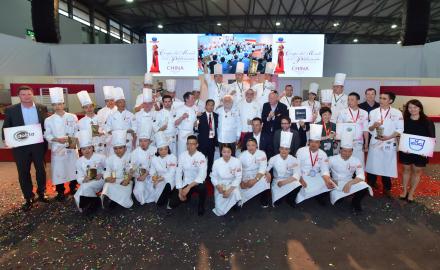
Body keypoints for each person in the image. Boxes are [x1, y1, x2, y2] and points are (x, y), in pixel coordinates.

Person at [1, 85, 49, 211]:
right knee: (23, 172)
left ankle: (42, 192)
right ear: (19, 96)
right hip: (20, 146)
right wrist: (6, 139)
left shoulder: (41, 108)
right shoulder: (11, 110)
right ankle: (28, 197)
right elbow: (6, 126)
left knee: (41, 170)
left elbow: (46, 125)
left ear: (32, 94)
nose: (26, 96)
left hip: (38, 144)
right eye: (23, 94)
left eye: (28, 94)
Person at [365, 92, 404, 198]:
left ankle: (387, 188)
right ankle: (371, 184)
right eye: (380, 98)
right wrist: (374, 125)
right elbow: (369, 128)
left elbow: (400, 129)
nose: (381, 100)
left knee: (387, 165)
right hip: (375, 142)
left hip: (388, 142)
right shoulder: (373, 112)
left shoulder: (397, 113)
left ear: (390, 101)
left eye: (384, 98)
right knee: (373, 164)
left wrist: (389, 137)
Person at [44, 87, 79, 201]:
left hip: (71, 147)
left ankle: (73, 187)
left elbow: (76, 131)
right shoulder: (49, 120)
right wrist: (57, 140)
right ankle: (60, 191)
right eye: (55, 104)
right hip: (58, 148)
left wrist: (72, 143)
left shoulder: (72, 116)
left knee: (73, 167)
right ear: (52, 105)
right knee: (59, 169)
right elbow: (47, 135)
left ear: (63, 104)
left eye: (59, 103)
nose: (57, 106)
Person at [399, 99, 435, 202]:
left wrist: (426, 151)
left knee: (417, 171)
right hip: (406, 151)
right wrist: (401, 146)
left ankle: (411, 192)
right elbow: (400, 135)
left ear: (420, 108)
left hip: (421, 152)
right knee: (406, 170)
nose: (412, 109)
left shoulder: (427, 121)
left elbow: (432, 137)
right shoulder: (404, 120)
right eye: (410, 107)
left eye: (415, 107)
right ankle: (405, 191)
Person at [328, 132, 372, 213]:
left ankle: (355, 203)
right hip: (336, 183)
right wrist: (330, 180)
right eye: (344, 151)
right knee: (338, 202)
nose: (347, 154)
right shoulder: (332, 159)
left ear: (352, 151)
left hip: (349, 181)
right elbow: (324, 172)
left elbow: (361, 176)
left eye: (349, 151)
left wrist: (350, 183)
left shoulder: (356, 160)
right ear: (340, 150)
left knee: (364, 187)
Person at [295, 124, 336, 205]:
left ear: (320, 144)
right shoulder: (301, 151)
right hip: (303, 175)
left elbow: (324, 170)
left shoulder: (323, 154)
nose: (314, 144)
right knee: (300, 187)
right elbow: (297, 167)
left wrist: (327, 180)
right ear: (309, 142)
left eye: (316, 142)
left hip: (316, 175)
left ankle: (318, 196)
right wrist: (300, 179)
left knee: (329, 183)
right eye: (312, 141)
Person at [170, 135, 207, 216]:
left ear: (197, 145)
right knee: (172, 203)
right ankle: (187, 197)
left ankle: (201, 205)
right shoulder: (182, 156)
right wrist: (180, 191)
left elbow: (202, 175)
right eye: (188, 144)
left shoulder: (201, 156)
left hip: (196, 183)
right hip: (186, 182)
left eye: (193, 144)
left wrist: (188, 187)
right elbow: (178, 173)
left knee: (203, 187)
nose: (190, 146)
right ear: (186, 144)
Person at [266, 131, 303, 207]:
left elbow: (297, 175)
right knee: (277, 203)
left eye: (286, 149)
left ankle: (290, 199)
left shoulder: (294, 159)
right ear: (279, 149)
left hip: (289, 180)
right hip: (277, 181)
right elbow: (266, 169)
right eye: (282, 148)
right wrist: (268, 173)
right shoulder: (273, 158)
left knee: (298, 184)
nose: (284, 151)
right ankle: (282, 197)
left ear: (289, 150)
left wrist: (284, 182)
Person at [74, 130, 106, 215]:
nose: (87, 151)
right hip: (87, 182)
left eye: (89, 148)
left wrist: (101, 174)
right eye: (84, 149)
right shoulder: (79, 161)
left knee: (83, 190)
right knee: (82, 190)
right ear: (81, 150)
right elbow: (79, 177)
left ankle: (91, 204)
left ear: (93, 148)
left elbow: (108, 169)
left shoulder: (101, 157)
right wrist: (84, 179)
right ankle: (94, 203)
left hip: (100, 181)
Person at [102, 130, 134, 210]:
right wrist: (107, 178)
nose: (118, 150)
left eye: (120, 148)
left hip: (126, 180)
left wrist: (127, 180)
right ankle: (108, 199)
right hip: (114, 179)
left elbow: (130, 170)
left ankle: (113, 200)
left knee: (124, 191)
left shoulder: (130, 156)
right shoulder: (110, 159)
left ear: (125, 148)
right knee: (107, 185)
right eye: (115, 149)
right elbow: (107, 171)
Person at [337, 92, 369, 164]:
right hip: (346, 142)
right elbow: (339, 128)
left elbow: (365, 129)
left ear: (358, 101)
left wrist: (366, 143)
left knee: (358, 163)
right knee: (345, 163)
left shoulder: (364, 113)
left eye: (352, 100)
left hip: (358, 142)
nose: (349, 102)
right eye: (348, 100)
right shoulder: (342, 112)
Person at [210, 144, 242, 216]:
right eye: (224, 152)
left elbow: (238, 177)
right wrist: (218, 187)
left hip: (232, 184)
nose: (226, 154)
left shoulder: (237, 161)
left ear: (232, 152)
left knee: (235, 192)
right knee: (220, 211)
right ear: (221, 152)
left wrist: (229, 190)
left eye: (228, 152)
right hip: (221, 184)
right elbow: (213, 177)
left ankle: (235, 203)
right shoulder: (216, 162)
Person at [239, 138, 271, 208]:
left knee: (266, 180)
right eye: (248, 145)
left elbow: (262, 168)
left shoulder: (262, 153)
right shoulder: (241, 155)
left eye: (253, 145)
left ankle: (264, 200)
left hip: (258, 174)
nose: (251, 147)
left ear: (256, 145)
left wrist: (255, 180)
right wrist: (242, 182)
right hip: (245, 175)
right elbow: (238, 171)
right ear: (246, 146)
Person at [148, 132, 178, 207]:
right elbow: (152, 171)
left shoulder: (173, 157)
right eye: (161, 150)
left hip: (170, 179)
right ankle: (168, 194)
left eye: (165, 149)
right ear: (157, 150)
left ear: (168, 148)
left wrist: (160, 178)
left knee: (168, 184)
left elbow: (172, 172)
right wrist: (154, 178)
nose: (163, 151)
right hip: (159, 180)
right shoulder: (154, 159)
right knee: (158, 200)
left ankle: (171, 191)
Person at [104, 87, 136, 153]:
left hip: (127, 141)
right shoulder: (111, 116)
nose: (123, 104)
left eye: (124, 102)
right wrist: (117, 133)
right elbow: (107, 128)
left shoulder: (131, 115)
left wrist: (125, 131)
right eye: (120, 102)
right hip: (116, 142)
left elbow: (135, 128)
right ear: (116, 104)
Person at [131, 124, 157, 205]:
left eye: (145, 141)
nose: (143, 143)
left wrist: (147, 174)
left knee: (156, 189)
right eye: (141, 141)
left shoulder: (155, 150)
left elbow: (156, 165)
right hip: (140, 175)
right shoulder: (135, 152)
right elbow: (133, 166)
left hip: (153, 175)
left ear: (149, 141)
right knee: (138, 191)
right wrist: (137, 175)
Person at [76, 91, 106, 156]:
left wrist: (103, 132)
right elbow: (79, 136)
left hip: (101, 147)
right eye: (86, 107)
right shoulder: (80, 122)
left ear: (93, 107)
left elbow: (107, 129)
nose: (89, 109)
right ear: (83, 109)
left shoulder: (101, 117)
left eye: (90, 106)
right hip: (89, 149)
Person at [196, 99, 218, 175]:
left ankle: (209, 175)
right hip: (202, 142)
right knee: (201, 160)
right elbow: (196, 129)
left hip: (212, 142)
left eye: (212, 105)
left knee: (211, 160)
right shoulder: (200, 116)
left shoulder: (216, 116)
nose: (211, 106)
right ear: (205, 106)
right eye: (209, 105)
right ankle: (200, 175)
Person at [174, 92, 198, 157]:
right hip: (182, 134)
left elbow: (195, 123)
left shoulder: (194, 108)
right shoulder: (179, 109)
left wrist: (196, 123)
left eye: (194, 98)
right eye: (192, 98)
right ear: (186, 99)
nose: (194, 100)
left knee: (191, 153)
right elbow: (175, 123)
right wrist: (182, 117)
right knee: (182, 153)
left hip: (191, 133)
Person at [97, 86, 117, 156]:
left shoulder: (119, 111)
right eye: (107, 101)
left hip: (116, 138)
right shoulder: (100, 112)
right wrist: (101, 132)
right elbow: (99, 125)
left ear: (114, 100)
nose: (110, 102)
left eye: (111, 100)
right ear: (105, 102)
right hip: (105, 139)